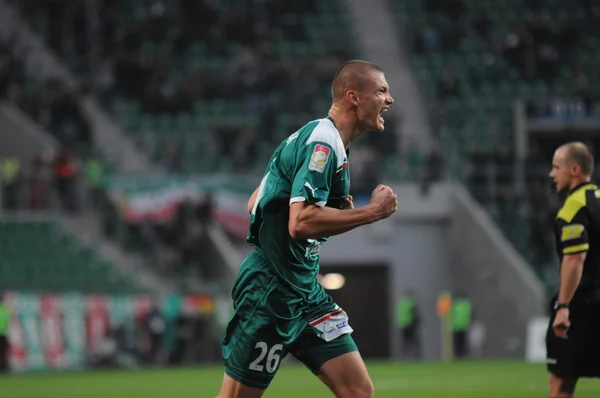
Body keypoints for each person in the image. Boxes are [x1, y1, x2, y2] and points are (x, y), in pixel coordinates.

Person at [216, 60, 397, 398]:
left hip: (305, 292)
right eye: (382, 90)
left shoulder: (327, 144)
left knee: (358, 391)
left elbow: (255, 201)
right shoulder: (323, 144)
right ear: (354, 97)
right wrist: (371, 213)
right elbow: (300, 222)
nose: (390, 100)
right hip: (270, 292)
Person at [546, 142, 600, 398]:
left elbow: (575, 258)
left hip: (584, 307)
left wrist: (563, 306)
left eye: (557, 168)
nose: (552, 174)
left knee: (561, 384)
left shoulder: (573, 208)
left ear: (575, 170)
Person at [395, 290, 421, 360]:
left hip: (402, 325)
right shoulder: (410, 303)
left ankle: (403, 357)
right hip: (410, 325)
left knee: (404, 343)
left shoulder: (401, 303)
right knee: (413, 342)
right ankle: (414, 357)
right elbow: (414, 314)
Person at [0, 291, 9, 373]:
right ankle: (3, 368)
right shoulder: (5, 309)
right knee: (3, 353)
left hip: (2, 333)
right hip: (3, 333)